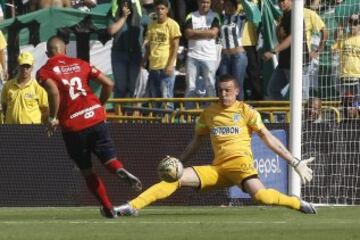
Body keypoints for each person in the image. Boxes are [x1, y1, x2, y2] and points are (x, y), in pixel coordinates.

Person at [115, 74, 317, 216]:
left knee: (263, 197)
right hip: (218, 168)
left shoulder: (247, 111)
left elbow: (267, 137)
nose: (223, 94)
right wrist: (180, 161)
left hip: (240, 166)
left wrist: (293, 161)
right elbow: (197, 141)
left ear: (237, 91)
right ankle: (133, 206)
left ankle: (296, 203)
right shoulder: (208, 113)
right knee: (175, 179)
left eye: (228, 90)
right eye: (220, 91)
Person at [37, 36, 142, 218]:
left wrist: (53, 118)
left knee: (87, 170)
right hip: (96, 118)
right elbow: (109, 83)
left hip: (73, 126)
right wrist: (99, 104)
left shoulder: (44, 71)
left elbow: (53, 92)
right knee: (108, 159)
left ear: (48, 53)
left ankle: (108, 208)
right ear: (65, 50)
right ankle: (117, 168)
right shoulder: (80, 63)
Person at [143, 0, 181, 108]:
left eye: (162, 9)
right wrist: (144, 60)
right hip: (153, 66)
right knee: (155, 98)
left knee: (167, 98)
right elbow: (149, 44)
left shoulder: (172, 24)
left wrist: (170, 65)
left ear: (167, 10)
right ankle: (158, 123)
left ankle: (168, 123)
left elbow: (175, 47)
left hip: (166, 66)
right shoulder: (152, 25)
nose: (160, 11)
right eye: (158, 9)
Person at [108, 0, 149, 98]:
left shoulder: (141, 12)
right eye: (123, 2)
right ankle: (120, 112)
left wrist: (147, 39)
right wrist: (123, 17)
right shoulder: (114, 12)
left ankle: (132, 112)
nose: (125, 4)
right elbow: (111, 30)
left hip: (136, 54)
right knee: (120, 87)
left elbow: (152, 27)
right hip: (119, 54)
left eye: (128, 2)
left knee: (134, 87)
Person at [184, 0, 221, 99]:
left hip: (209, 56)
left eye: (207, 2)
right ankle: (189, 112)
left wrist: (195, 32)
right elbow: (188, 34)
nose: (205, 5)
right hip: (192, 56)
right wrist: (206, 32)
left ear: (210, 3)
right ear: (198, 2)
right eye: (202, 2)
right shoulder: (191, 15)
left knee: (210, 86)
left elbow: (214, 34)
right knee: (191, 87)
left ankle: (211, 111)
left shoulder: (215, 16)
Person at [1, 51, 48, 124]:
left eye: (27, 66)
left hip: (32, 130)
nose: (25, 69)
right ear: (18, 66)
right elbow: (4, 106)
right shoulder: (7, 86)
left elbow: (45, 109)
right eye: (22, 66)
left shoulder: (38, 87)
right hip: (11, 129)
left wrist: (41, 125)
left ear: (32, 67)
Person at [218, 0, 248, 100]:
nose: (229, 8)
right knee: (223, 84)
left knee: (237, 85)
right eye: (227, 5)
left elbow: (252, 14)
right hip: (224, 56)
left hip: (238, 56)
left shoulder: (241, 17)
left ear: (236, 7)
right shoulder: (220, 18)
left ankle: (239, 111)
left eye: (231, 6)